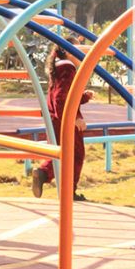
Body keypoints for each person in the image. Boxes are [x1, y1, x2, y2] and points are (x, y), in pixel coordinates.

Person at [31, 39, 93, 202]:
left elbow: (65, 95)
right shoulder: (67, 67)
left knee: (63, 153)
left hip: (55, 118)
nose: (81, 54)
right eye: (78, 50)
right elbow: (61, 99)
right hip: (64, 119)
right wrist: (74, 118)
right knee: (75, 155)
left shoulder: (59, 67)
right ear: (68, 52)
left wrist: (84, 97)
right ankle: (54, 181)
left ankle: (46, 175)